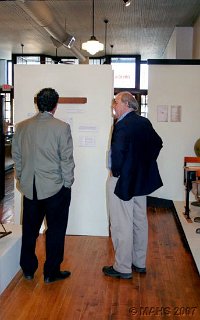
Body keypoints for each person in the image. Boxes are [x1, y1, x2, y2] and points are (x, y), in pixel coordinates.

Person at [12, 87, 75, 284]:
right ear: (56, 106)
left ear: (37, 103)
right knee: (55, 231)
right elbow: (66, 159)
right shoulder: (61, 127)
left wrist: (22, 177)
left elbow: (17, 157)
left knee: (29, 231)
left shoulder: (22, 127)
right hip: (56, 189)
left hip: (30, 189)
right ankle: (51, 272)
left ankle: (28, 270)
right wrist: (67, 183)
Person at [102, 91, 163, 279]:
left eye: (116, 102)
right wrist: (143, 165)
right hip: (140, 181)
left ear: (127, 104)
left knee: (121, 224)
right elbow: (158, 143)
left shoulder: (122, 125)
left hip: (123, 182)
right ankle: (139, 262)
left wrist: (118, 171)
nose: (114, 105)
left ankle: (122, 267)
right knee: (139, 221)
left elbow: (118, 153)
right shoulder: (144, 122)